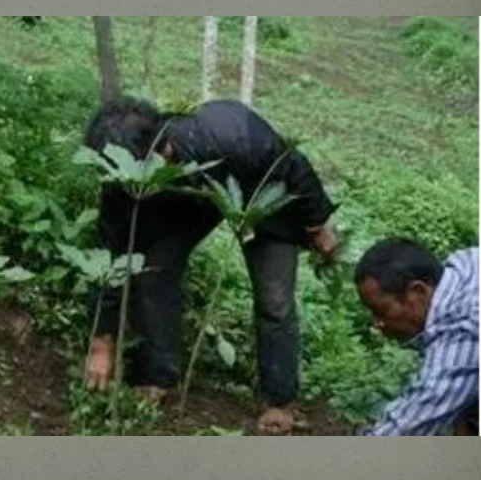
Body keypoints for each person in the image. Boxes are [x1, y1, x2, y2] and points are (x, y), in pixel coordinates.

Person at [81, 96, 339, 435]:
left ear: (161, 150)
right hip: (183, 203)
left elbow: (293, 166)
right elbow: (111, 251)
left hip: (258, 190)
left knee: (274, 297)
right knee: (153, 273)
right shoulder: (123, 179)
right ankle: (158, 377)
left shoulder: (232, 133)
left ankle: (278, 401)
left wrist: (317, 224)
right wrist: (102, 340)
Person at [353, 238, 479, 435]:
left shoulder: (465, 332)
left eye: (381, 310)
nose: (377, 324)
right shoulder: (466, 263)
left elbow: (407, 427)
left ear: (417, 291)